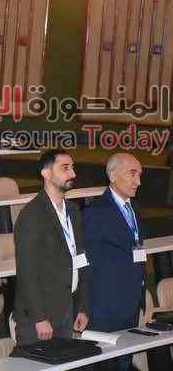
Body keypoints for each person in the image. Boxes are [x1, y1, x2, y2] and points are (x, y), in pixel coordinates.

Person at [14, 150, 89, 345]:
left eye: (72, 168)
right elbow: (26, 271)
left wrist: (82, 307)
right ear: (46, 173)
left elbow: (79, 259)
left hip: (68, 310)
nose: (72, 174)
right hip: (39, 319)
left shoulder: (73, 211)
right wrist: (39, 318)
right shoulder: (31, 215)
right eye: (65, 168)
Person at [84, 153, 145, 371]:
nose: (138, 181)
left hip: (131, 303)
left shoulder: (134, 207)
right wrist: (84, 307)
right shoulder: (95, 212)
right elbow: (88, 264)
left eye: (140, 175)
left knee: (125, 363)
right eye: (132, 174)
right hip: (105, 308)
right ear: (112, 175)